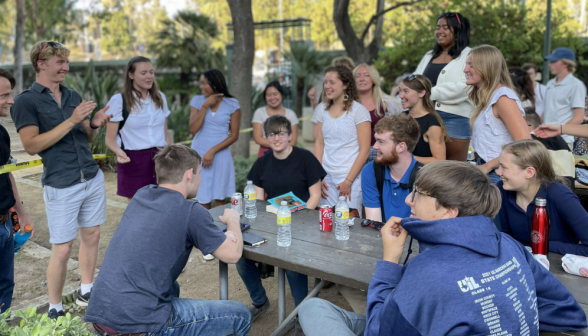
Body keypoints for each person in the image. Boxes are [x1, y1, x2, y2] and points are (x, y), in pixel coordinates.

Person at [298, 161, 588, 336]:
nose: (409, 201)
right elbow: (569, 313)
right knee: (322, 307)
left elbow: (379, 331)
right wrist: (499, 313)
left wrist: (390, 261)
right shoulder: (510, 246)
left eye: (418, 195)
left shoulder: (428, 272)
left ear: (449, 211)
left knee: (312, 308)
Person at [85, 145, 251, 335]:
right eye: (199, 173)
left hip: (101, 316)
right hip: (139, 323)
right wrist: (233, 220)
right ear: (190, 174)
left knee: (172, 287)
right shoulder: (191, 211)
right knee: (241, 316)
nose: (201, 178)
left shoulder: (142, 195)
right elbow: (233, 254)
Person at [11, 41, 112, 319]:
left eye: (66, 62)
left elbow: (86, 136)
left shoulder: (72, 94)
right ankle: (55, 307)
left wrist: (93, 124)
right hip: (61, 183)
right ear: (40, 64)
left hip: (91, 177)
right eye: (60, 63)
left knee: (92, 235)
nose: (66, 68)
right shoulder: (25, 101)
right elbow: (31, 145)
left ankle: (86, 289)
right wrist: (71, 120)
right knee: (63, 248)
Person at [237, 115, 326, 326]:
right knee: (241, 256)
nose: (276, 138)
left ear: (289, 135)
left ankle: (301, 313)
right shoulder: (261, 164)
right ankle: (260, 301)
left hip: (302, 223)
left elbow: (315, 196)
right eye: (271, 134)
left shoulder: (305, 158)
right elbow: (257, 202)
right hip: (271, 223)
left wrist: (299, 217)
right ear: (266, 137)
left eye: (281, 133)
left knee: (290, 261)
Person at [497, 140, 588, 256]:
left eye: (504, 167)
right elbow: (507, 238)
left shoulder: (560, 195)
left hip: (560, 268)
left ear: (529, 172)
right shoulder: (504, 190)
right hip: (524, 264)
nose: (498, 172)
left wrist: (542, 245)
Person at [104, 56, 172, 200]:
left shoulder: (160, 98)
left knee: (164, 204)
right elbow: (110, 140)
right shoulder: (119, 100)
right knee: (139, 209)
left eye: (151, 72)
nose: (149, 76)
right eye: (143, 73)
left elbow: (165, 133)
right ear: (131, 75)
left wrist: (170, 155)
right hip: (133, 161)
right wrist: (119, 152)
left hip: (161, 159)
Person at [466, 45, 531, 184]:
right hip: (490, 171)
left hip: (498, 174)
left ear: (486, 67)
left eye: (471, 65)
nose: (465, 70)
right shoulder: (490, 97)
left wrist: (487, 166)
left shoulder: (503, 98)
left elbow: (525, 143)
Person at [414, 12, 473, 161]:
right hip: (425, 117)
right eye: (437, 27)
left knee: (455, 170)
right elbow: (415, 80)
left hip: (455, 118)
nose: (439, 31)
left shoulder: (469, 55)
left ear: (458, 30)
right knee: (427, 165)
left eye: (445, 27)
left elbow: (466, 86)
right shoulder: (429, 55)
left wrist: (427, 93)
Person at [314, 65, 371, 214]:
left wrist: (348, 181)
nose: (327, 86)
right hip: (326, 179)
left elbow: (365, 150)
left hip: (349, 178)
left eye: (332, 82)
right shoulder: (321, 109)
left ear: (345, 85)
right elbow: (319, 143)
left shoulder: (359, 111)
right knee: (326, 225)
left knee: (348, 225)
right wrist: (318, 176)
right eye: (325, 82)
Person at [0, 69, 35, 313]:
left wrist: (20, 214)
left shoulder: (2, 133)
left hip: (4, 225)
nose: (11, 101)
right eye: (4, 96)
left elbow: (7, 172)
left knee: (5, 287)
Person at [189, 69, 240, 210]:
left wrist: (212, 150)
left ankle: (220, 231)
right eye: (201, 83)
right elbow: (193, 130)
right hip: (199, 151)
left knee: (220, 198)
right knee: (202, 197)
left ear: (215, 83)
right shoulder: (197, 101)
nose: (201, 87)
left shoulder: (232, 103)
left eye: (204, 83)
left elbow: (234, 135)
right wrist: (205, 106)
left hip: (221, 154)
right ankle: (204, 229)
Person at [362, 114, 421, 223]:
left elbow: (424, 228)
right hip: (382, 236)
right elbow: (375, 224)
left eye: (381, 142)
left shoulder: (425, 178)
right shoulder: (371, 171)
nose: (375, 146)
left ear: (401, 147)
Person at [353, 63, 401, 162]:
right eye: (358, 76)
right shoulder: (347, 105)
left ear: (373, 79)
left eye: (367, 75)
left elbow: (400, 127)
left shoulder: (387, 103)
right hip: (354, 154)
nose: (362, 79)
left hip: (380, 153)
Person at [542, 47, 587, 150]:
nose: (550, 64)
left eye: (554, 61)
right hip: (545, 138)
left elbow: (579, 117)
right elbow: (546, 111)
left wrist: (559, 132)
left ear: (565, 63)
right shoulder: (550, 83)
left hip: (563, 140)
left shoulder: (576, 85)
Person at [399, 75, 448, 163]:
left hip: (422, 174)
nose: (400, 95)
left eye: (406, 91)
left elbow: (439, 160)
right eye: (400, 91)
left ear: (421, 93)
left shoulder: (432, 124)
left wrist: (407, 158)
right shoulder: (402, 117)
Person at [309, 56, 357, 140]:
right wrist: (313, 101)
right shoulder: (328, 91)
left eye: (347, 69)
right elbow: (321, 113)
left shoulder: (358, 93)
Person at [525, 109, 575, 186]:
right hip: (568, 188)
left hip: (544, 189)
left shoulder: (530, 142)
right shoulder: (560, 140)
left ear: (527, 126)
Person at [252, 81, 298, 158]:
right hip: (265, 154)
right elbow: (258, 138)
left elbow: (293, 141)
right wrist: (279, 143)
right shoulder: (259, 113)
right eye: (269, 95)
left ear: (282, 95)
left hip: (287, 155)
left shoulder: (291, 115)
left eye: (275, 94)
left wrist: (279, 146)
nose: (272, 98)